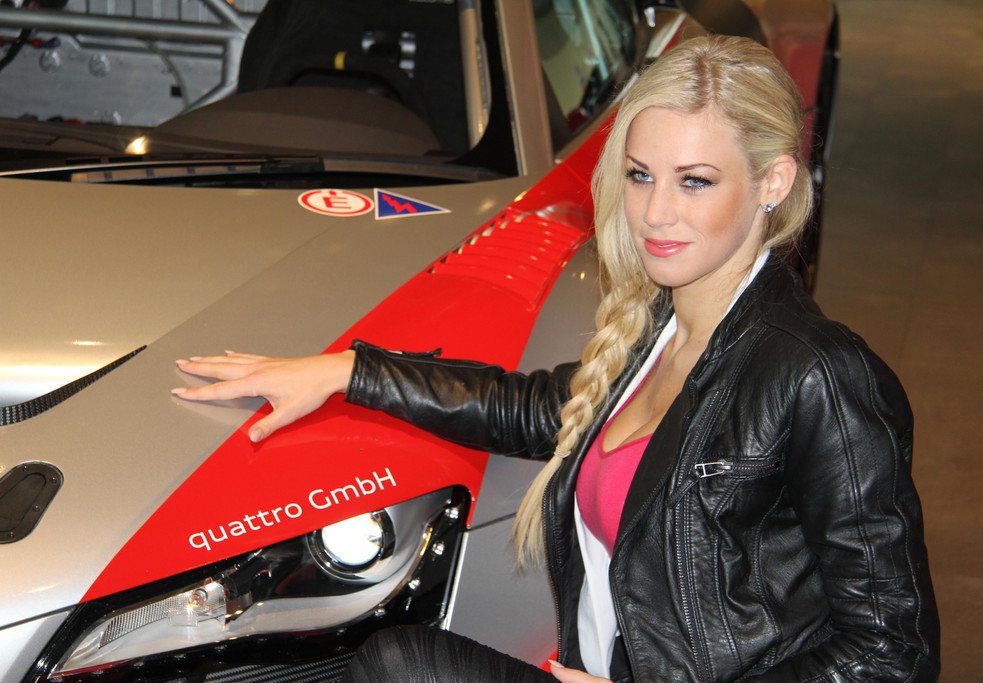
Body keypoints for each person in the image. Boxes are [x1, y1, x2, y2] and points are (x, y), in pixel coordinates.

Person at [173, 36, 940, 682]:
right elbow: (539, 408)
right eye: (640, 175)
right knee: (397, 659)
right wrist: (345, 370)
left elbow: (892, 651)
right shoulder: (666, 324)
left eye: (695, 182)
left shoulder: (821, 375)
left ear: (772, 181)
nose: (656, 213)